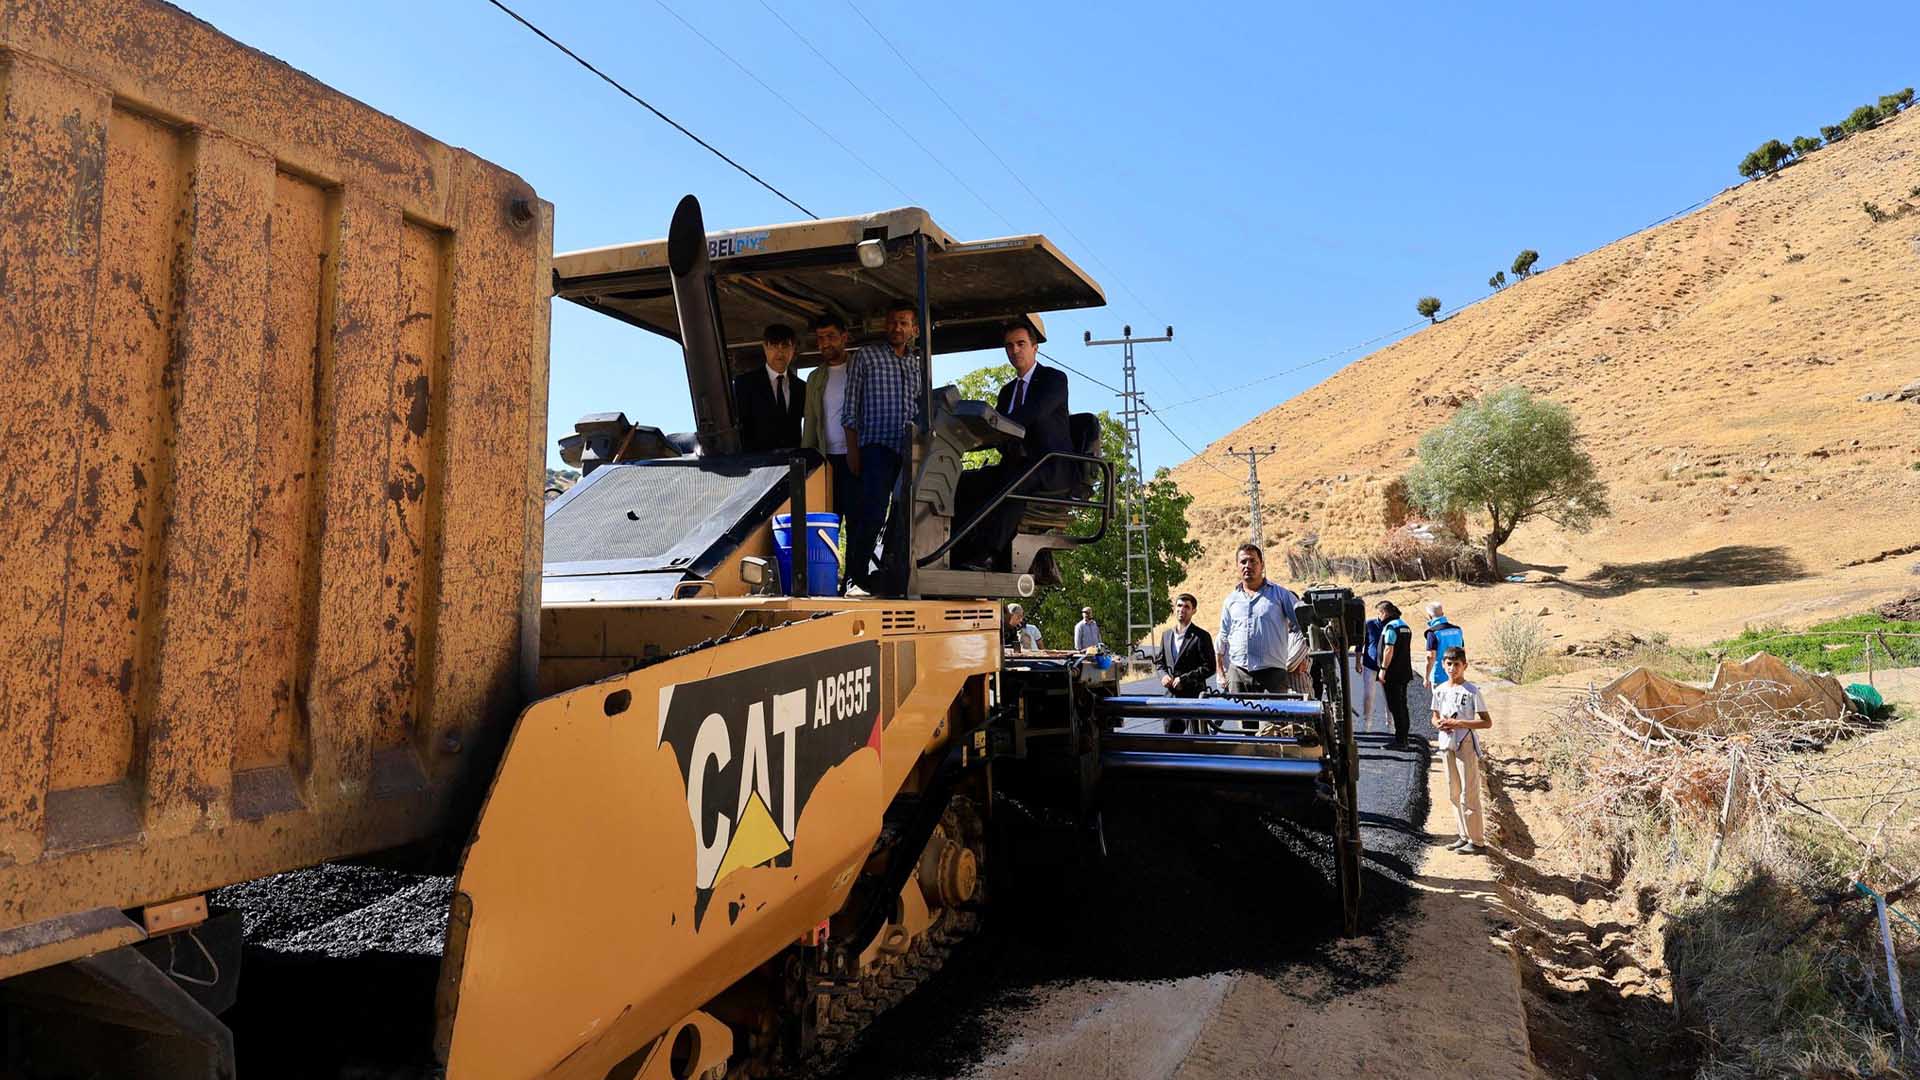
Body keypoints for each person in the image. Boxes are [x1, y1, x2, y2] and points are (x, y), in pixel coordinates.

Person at [950, 321, 1072, 572]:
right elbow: (1002, 434)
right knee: (962, 482)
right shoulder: (1007, 392)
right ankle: (954, 552)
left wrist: (992, 429)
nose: (1015, 351)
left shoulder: (1053, 380)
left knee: (1014, 483)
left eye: (1021, 344)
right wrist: (969, 437)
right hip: (1017, 465)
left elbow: (1031, 415)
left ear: (1035, 347)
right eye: (1009, 346)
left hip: (1049, 465)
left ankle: (988, 554)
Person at [840, 300, 924, 593]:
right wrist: (853, 452)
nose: (896, 328)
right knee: (871, 513)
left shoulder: (918, 364)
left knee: (904, 517)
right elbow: (850, 409)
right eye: (892, 322)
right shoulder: (867, 356)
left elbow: (923, 409)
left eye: (903, 323)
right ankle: (854, 576)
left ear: (914, 328)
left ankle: (889, 577)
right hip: (875, 447)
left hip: (909, 452)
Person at [1215, 543, 1301, 694]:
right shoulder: (1230, 600)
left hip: (1272, 675)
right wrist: (1220, 670)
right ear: (1237, 566)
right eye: (1243, 562)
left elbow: (1304, 624)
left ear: (1262, 565)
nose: (1247, 566)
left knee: (1274, 718)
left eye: (1252, 561)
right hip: (1238, 674)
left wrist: (1305, 657)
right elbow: (1222, 637)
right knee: (1242, 717)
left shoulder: (1280, 595)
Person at [1431, 646, 1492, 854]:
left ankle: (1477, 840)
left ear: (1464, 665)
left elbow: (1486, 722)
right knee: (1454, 791)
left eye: (1457, 664)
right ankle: (1463, 835)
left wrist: (1460, 724)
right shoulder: (1439, 690)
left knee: (1469, 792)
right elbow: (1434, 715)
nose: (1452, 668)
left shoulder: (1472, 691)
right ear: (1443, 665)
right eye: (1449, 664)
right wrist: (1439, 723)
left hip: (1465, 743)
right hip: (1446, 743)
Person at [800, 313, 856, 519]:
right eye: (821, 338)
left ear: (844, 337)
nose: (825, 343)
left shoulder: (860, 369)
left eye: (831, 336)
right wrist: (806, 462)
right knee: (828, 518)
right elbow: (810, 421)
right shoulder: (815, 377)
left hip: (857, 457)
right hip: (827, 459)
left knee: (858, 520)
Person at [733, 323, 806, 452]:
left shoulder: (802, 388)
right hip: (757, 466)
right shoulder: (744, 384)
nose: (780, 351)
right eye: (774, 345)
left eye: (785, 345)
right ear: (765, 347)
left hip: (794, 465)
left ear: (793, 348)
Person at [1156, 593, 1217, 731]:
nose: (1181, 609)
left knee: (1197, 743)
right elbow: (1160, 662)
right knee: (1171, 743)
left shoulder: (1201, 636)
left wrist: (1184, 679)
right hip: (1171, 699)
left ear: (1193, 611)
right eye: (1179, 605)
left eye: (1186, 607)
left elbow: (1210, 667)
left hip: (1194, 698)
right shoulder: (1166, 635)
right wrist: (1163, 676)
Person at [1375, 600, 1416, 747]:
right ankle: (1403, 736)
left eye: (1379, 614)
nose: (1378, 617)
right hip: (1404, 672)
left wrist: (1383, 670)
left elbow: (1389, 649)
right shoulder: (1404, 625)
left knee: (1395, 706)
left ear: (1384, 613)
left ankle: (1401, 740)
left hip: (1393, 674)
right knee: (1402, 705)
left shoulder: (1391, 627)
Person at [1350, 605, 1386, 732]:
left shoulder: (1391, 625)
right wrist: (1358, 661)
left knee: (1389, 696)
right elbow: (1360, 643)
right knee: (1368, 694)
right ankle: (1367, 723)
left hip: (1386, 666)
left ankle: (1391, 725)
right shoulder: (1369, 624)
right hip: (1369, 663)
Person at [1424, 602, 1466, 687]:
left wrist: (1426, 677)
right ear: (1443, 614)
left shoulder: (1433, 632)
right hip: (1458, 675)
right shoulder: (1457, 630)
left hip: (1439, 677)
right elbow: (1463, 651)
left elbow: (1431, 657)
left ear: (1430, 616)